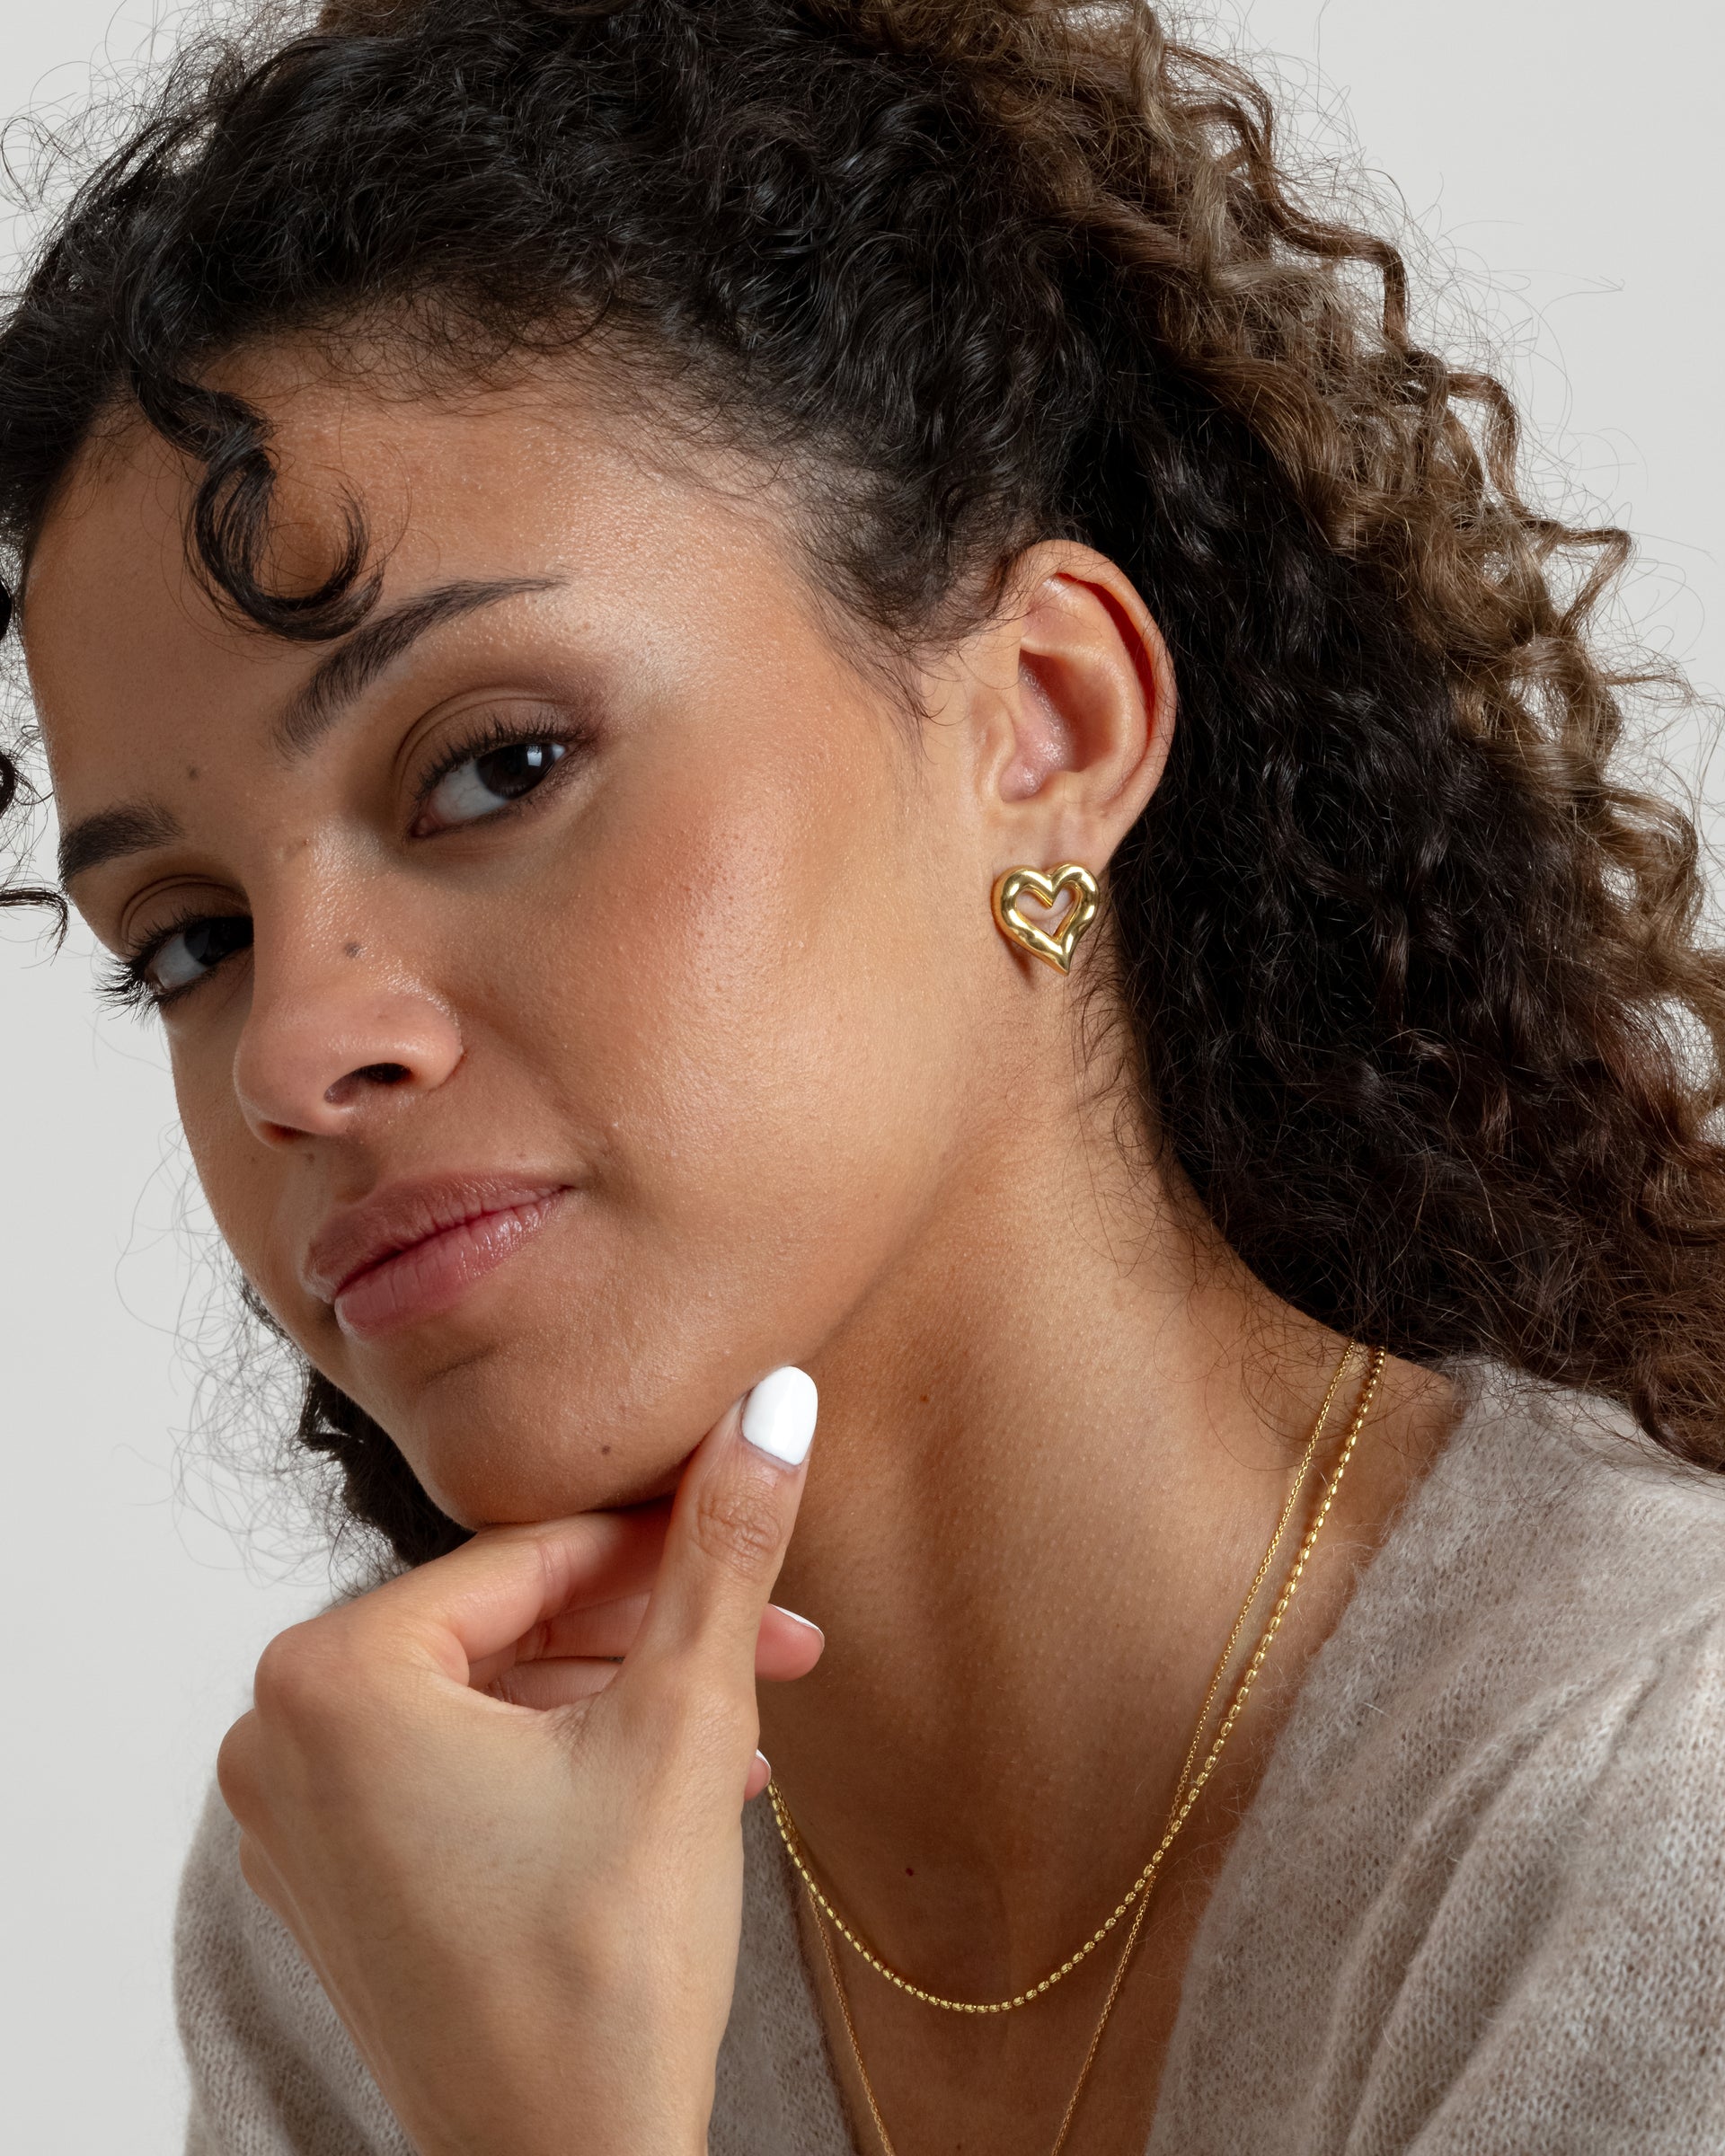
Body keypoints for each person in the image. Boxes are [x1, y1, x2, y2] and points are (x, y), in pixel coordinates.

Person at [4, 0, 1723, 2148]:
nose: (293, 1047)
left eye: (495, 767)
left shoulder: (1656, 1834)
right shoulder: (376, 1902)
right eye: (191, 938)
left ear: (1044, 732)